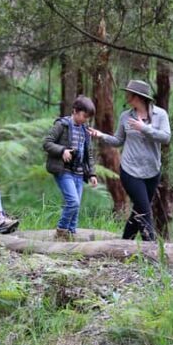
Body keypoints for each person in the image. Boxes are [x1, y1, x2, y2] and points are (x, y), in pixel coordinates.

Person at [88, 80, 171, 241]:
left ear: (138, 97)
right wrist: (101, 135)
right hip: (130, 171)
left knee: (139, 209)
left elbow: (166, 138)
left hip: (152, 171)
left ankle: (125, 243)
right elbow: (118, 140)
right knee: (145, 210)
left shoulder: (160, 115)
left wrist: (144, 128)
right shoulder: (125, 116)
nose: (126, 96)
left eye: (129, 93)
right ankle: (151, 249)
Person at [43, 96, 98, 240]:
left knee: (76, 206)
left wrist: (92, 174)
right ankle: (61, 231)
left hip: (79, 172)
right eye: (84, 116)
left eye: (88, 117)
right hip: (63, 170)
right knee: (73, 202)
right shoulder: (62, 125)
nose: (85, 119)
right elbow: (47, 143)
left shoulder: (86, 131)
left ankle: (71, 235)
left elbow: (89, 154)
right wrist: (63, 150)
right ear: (75, 111)